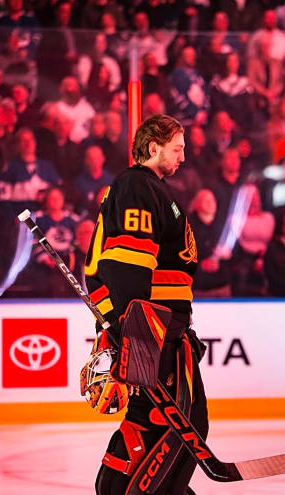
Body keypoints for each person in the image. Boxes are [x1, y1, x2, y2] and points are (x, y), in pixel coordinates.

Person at [86, 114, 208, 495]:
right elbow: (126, 267)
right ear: (153, 148)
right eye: (177, 148)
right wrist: (135, 338)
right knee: (174, 426)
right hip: (154, 334)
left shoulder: (149, 190)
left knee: (168, 424)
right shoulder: (138, 186)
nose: (183, 157)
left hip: (161, 332)